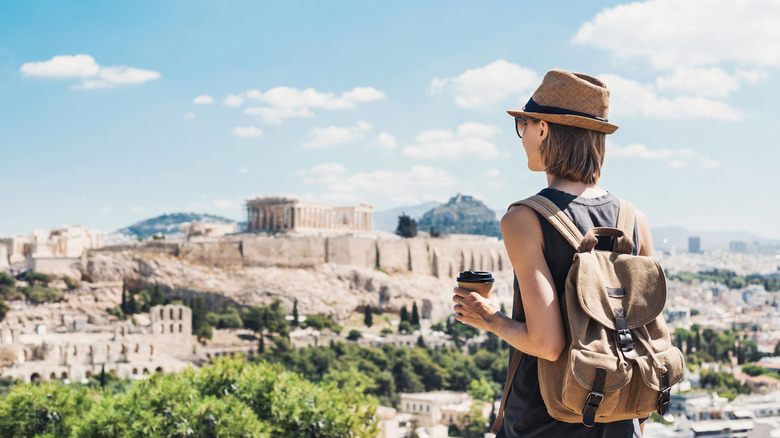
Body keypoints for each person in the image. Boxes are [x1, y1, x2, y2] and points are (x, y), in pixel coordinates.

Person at [452, 70, 652, 437]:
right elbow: (643, 333)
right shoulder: (633, 218)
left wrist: (490, 319)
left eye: (523, 124)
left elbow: (547, 343)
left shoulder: (524, 219)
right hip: (619, 415)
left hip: (548, 418)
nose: (522, 135)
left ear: (542, 129)